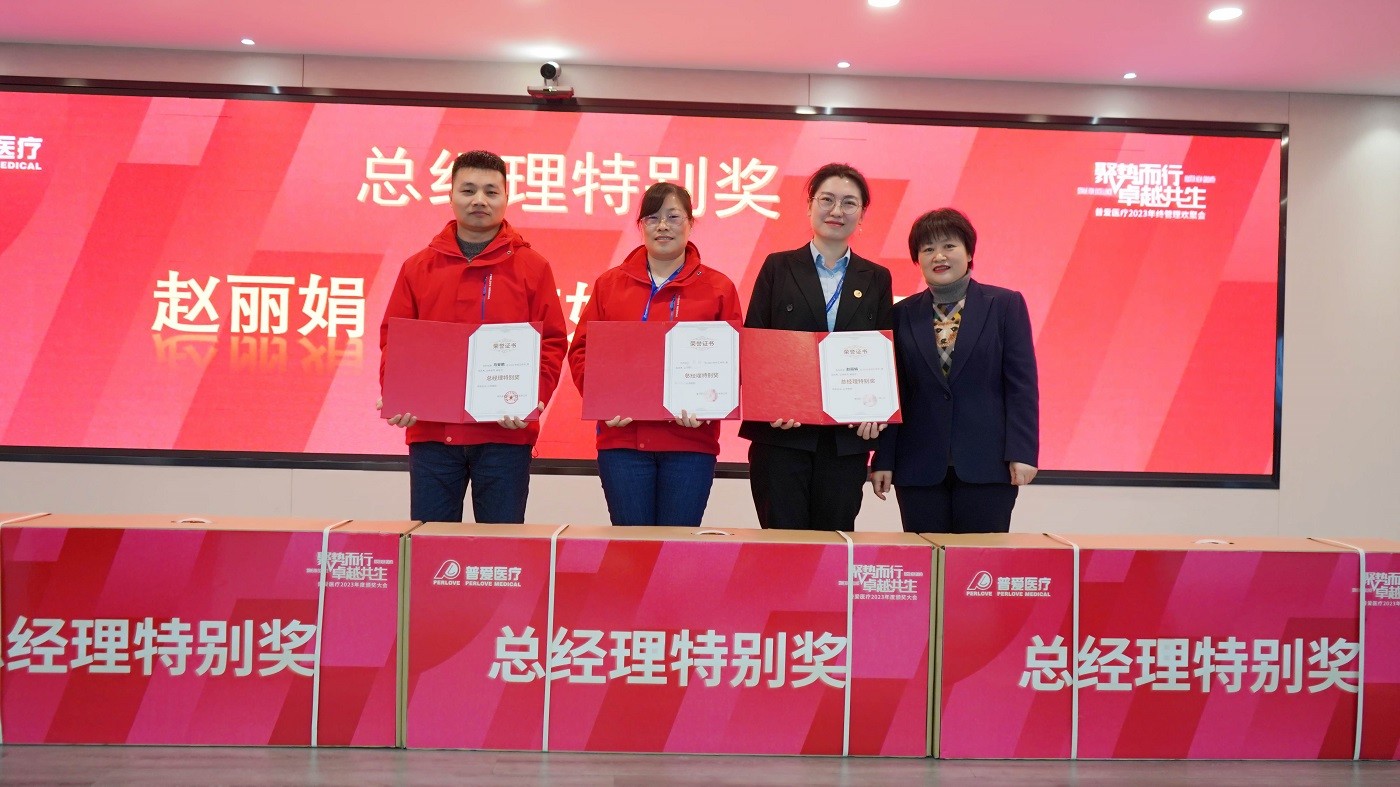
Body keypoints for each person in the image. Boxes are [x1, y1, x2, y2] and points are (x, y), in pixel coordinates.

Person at [377, 150, 567, 524]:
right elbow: (394, 340)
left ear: (506, 197)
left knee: (501, 547)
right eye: (468, 190)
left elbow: (552, 342)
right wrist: (398, 392)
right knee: (431, 545)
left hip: (504, 435)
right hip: (433, 435)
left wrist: (533, 399)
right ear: (450, 195)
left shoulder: (533, 267)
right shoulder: (417, 267)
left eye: (491, 191)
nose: (479, 199)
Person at [568, 182, 742, 526]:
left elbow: (735, 360)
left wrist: (710, 406)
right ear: (641, 225)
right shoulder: (610, 284)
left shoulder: (718, 288)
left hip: (690, 443)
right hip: (622, 442)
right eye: (652, 218)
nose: (663, 226)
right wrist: (602, 400)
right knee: (631, 547)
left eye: (673, 217)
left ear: (690, 223)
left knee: (676, 549)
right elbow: (582, 350)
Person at [739, 163, 894, 530]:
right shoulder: (778, 267)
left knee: (833, 548)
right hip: (782, 435)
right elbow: (755, 345)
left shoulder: (876, 278)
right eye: (827, 199)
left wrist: (876, 411)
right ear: (810, 205)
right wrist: (770, 404)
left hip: (845, 440)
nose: (837, 210)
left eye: (849, 203)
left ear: (862, 214)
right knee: (783, 547)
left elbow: (884, 357)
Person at [871, 208, 1039, 533]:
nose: (939, 256)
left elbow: (1022, 387)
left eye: (949, 246)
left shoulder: (1005, 305)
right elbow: (894, 393)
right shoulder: (900, 314)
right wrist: (884, 459)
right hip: (918, 467)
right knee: (925, 559)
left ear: (969, 252)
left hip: (987, 465)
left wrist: (1023, 451)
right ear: (917, 259)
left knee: (979, 562)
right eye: (928, 249)